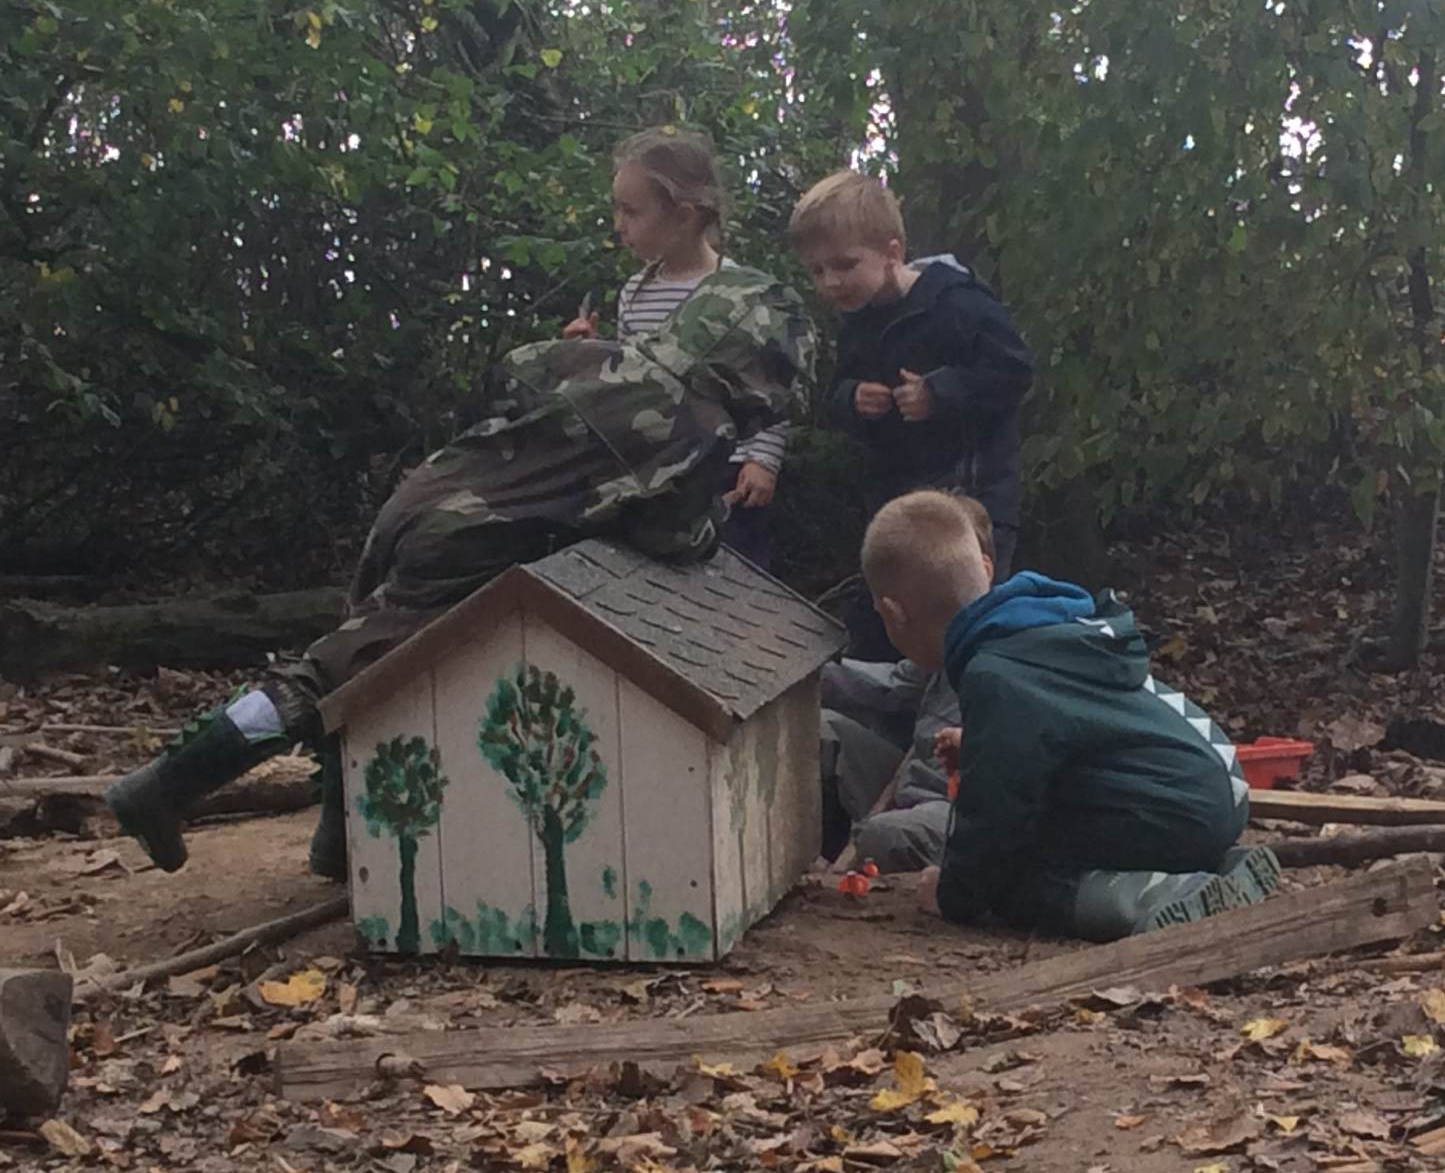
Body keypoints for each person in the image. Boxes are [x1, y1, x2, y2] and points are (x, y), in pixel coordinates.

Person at [108, 147, 817, 880]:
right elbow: (668, 534)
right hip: (468, 540)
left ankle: (336, 838)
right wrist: (707, 523)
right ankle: (167, 785)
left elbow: (514, 376)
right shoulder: (698, 428)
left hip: (424, 496)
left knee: (365, 656)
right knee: (335, 675)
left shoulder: (606, 359)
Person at [859, 490, 1280, 940]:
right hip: (1213, 786)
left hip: (1177, 811)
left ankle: (1156, 897)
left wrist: (951, 894)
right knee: (1036, 832)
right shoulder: (1040, 626)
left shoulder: (996, 674)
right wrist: (982, 746)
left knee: (1010, 874)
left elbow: (994, 822)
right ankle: (1216, 867)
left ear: (892, 614)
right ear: (984, 568)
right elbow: (1081, 730)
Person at [788, 171, 1034, 657]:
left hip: (974, 499)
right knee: (891, 614)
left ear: (893, 252)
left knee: (966, 617)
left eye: (845, 265)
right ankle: (888, 693)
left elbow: (1014, 371)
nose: (831, 282)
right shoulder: (856, 322)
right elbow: (833, 394)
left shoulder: (957, 303)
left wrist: (939, 392)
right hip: (897, 502)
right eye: (817, 271)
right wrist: (853, 398)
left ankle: (970, 697)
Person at [564, 127, 789, 570]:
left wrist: (763, 459)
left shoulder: (742, 294)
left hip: (728, 474)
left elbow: (770, 389)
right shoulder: (635, 293)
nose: (619, 224)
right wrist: (591, 356)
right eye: (617, 209)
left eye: (632, 211)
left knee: (731, 579)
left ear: (684, 217)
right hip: (657, 473)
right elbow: (635, 382)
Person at [817, 495, 994, 873]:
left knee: (885, 835)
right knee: (819, 732)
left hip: (961, 816)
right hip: (908, 790)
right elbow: (883, 686)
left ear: (892, 613)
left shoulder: (1005, 665)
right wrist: (807, 675)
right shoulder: (939, 655)